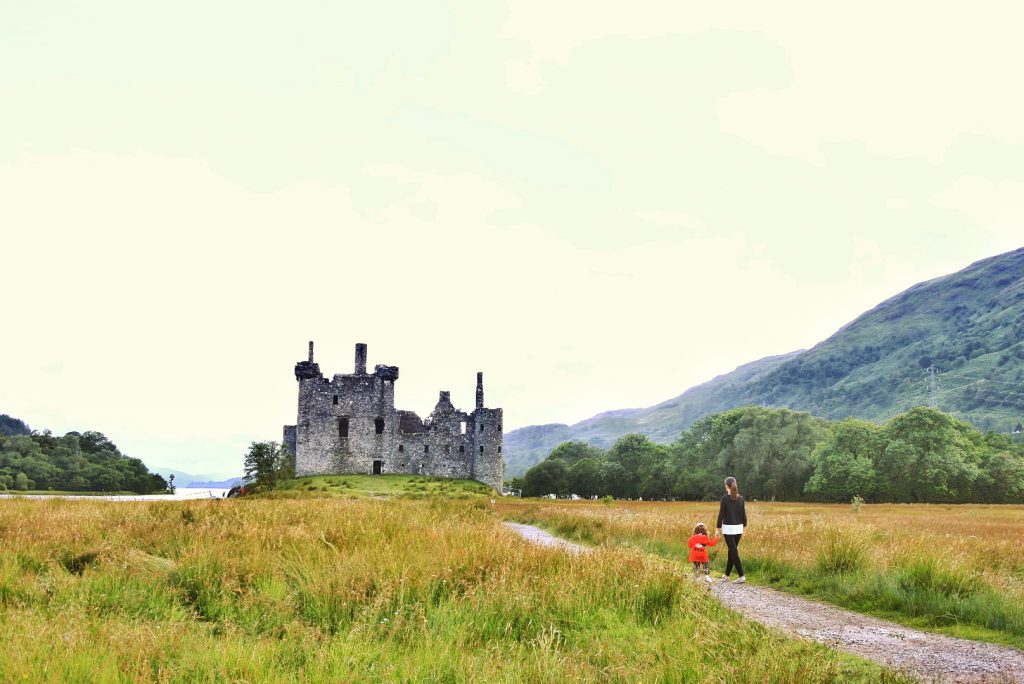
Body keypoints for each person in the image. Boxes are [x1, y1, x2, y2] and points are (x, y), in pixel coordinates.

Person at [716, 476, 747, 584]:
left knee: (733, 551)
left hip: (728, 529)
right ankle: (727, 575)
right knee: (732, 551)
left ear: (726, 486)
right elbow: (744, 515)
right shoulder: (741, 498)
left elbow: (721, 514)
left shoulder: (725, 498)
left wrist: (717, 528)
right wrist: (744, 528)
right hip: (739, 528)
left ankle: (741, 575)